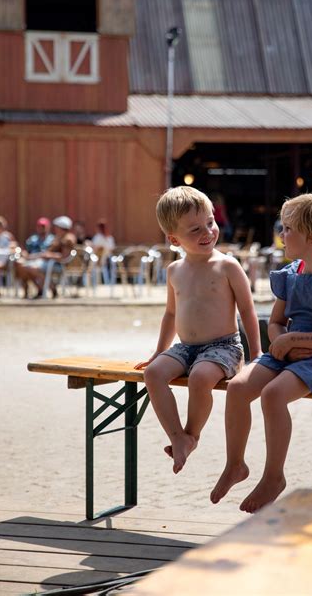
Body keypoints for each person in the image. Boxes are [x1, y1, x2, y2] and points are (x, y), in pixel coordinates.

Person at [210, 191, 312, 513]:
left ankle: (273, 476)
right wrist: (284, 342)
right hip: (290, 348)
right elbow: (276, 323)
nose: (281, 234)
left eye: (287, 228)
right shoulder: (292, 273)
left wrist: (292, 342)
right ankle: (235, 464)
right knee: (238, 388)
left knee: (273, 395)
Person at [134, 186, 262, 474]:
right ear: (173, 238)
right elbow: (170, 313)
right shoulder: (174, 271)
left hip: (224, 347)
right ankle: (177, 436)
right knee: (152, 373)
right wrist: (159, 351)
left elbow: (248, 310)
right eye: (195, 229)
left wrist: (257, 353)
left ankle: (192, 435)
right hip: (186, 347)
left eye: (210, 222)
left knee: (201, 377)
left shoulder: (227, 266)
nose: (207, 232)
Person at [16, 216, 76, 298]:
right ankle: (42, 288)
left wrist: (49, 256)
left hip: (59, 265)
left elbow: (64, 257)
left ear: (61, 227)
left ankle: (51, 287)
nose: (55, 229)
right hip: (50, 262)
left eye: (57, 227)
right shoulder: (59, 237)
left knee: (30, 268)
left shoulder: (68, 239)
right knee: (23, 267)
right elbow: (49, 251)